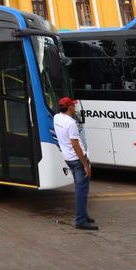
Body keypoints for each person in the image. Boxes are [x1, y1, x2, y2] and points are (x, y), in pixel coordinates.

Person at [54, 96, 97, 230]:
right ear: (69, 108)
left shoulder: (57, 118)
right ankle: (80, 221)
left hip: (68, 158)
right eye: (73, 106)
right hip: (77, 159)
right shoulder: (70, 123)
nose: (75, 108)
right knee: (81, 190)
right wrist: (85, 164)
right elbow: (75, 145)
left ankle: (83, 215)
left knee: (82, 188)